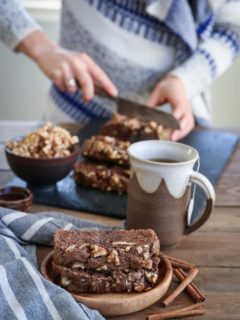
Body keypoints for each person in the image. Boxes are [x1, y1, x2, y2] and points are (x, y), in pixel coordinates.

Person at [0, 0, 239, 140]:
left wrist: (185, 80)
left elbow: (234, 23)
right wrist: (42, 48)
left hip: (176, 124)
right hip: (73, 121)